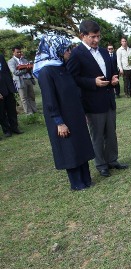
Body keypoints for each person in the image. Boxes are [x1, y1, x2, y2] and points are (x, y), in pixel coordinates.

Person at [33, 34, 95, 190]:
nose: (69, 52)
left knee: (80, 145)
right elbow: (49, 100)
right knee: (69, 149)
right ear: (57, 49)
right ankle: (77, 183)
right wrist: (58, 122)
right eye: (66, 49)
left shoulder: (62, 67)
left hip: (75, 114)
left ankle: (86, 179)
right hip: (62, 118)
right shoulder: (47, 72)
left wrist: (82, 113)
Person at [67, 19, 128, 178]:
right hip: (92, 103)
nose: (96, 40)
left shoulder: (102, 51)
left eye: (98, 36)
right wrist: (92, 82)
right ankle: (101, 165)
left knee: (111, 133)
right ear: (83, 36)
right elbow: (72, 79)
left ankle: (112, 160)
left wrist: (113, 80)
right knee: (98, 135)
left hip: (108, 99)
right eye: (93, 37)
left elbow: (110, 71)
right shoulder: (76, 54)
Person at [8, 46, 38, 115]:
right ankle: (29, 113)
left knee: (32, 96)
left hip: (28, 79)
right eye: (17, 52)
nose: (19, 53)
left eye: (20, 52)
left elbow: (30, 68)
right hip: (20, 81)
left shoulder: (24, 60)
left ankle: (34, 110)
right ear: (13, 52)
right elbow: (15, 72)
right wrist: (25, 70)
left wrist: (29, 68)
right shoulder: (11, 61)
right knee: (24, 98)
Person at [0, 54, 23, 138]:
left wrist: (12, 87)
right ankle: (7, 130)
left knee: (12, 109)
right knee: (1, 112)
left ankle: (14, 127)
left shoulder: (1, 57)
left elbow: (7, 73)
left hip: (8, 88)